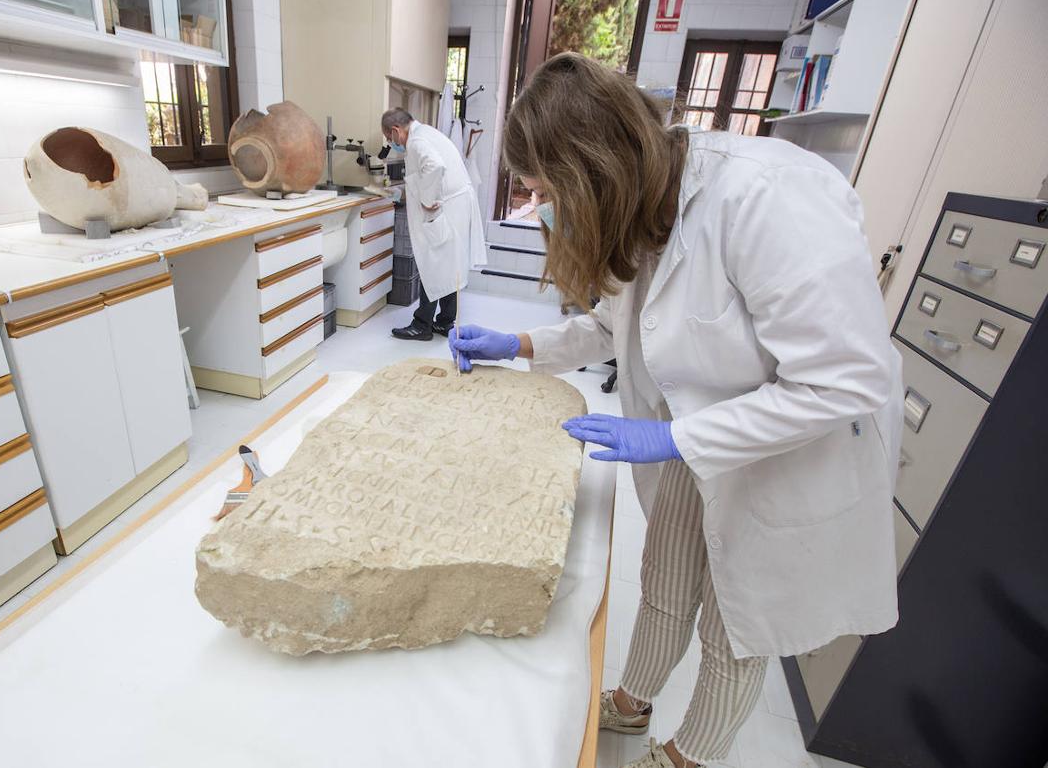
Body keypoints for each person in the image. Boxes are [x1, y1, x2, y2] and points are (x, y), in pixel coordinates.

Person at [449, 54, 902, 768]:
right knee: (662, 577)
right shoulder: (644, 202)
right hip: (699, 437)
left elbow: (844, 380)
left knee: (735, 627)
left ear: (591, 172)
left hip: (787, 450)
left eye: (545, 191)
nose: (542, 210)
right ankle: (629, 708)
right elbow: (608, 325)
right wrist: (519, 342)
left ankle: (687, 757)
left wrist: (674, 434)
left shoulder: (764, 197)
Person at [382, 107, 487, 340]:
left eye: (390, 139)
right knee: (449, 266)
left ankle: (422, 325)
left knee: (434, 265)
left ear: (396, 130)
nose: (392, 144)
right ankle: (445, 322)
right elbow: (425, 175)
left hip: (447, 210)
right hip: (457, 207)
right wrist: (402, 193)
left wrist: (428, 201)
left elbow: (435, 166)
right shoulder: (426, 133)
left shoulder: (417, 142)